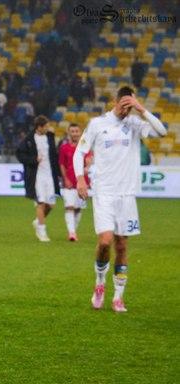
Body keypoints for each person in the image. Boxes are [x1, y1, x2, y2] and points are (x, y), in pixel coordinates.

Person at [74, 86, 167, 313]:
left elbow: (162, 132)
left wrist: (141, 109)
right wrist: (80, 179)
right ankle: (99, 283)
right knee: (105, 241)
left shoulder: (135, 124)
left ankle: (118, 296)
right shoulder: (98, 124)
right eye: (125, 105)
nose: (127, 110)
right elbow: (79, 152)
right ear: (116, 102)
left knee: (122, 245)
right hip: (104, 192)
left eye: (130, 106)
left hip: (127, 194)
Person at [16, 115, 60, 242]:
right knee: (40, 203)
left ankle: (38, 221)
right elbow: (19, 154)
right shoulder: (29, 139)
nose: (48, 128)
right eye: (46, 126)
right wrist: (33, 160)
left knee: (51, 204)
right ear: (39, 127)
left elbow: (54, 155)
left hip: (50, 175)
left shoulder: (50, 137)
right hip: (37, 176)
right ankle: (42, 231)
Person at [58, 123, 91, 241]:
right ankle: (71, 233)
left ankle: (73, 231)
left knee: (78, 208)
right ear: (69, 133)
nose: (75, 133)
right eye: (72, 131)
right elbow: (62, 164)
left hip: (82, 183)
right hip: (69, 183)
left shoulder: (85, 147)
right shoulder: (64, 147)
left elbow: (89, 159)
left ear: (80, 132)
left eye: (76, 131)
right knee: (69, 207)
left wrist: (87, 166)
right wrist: (65, 178)